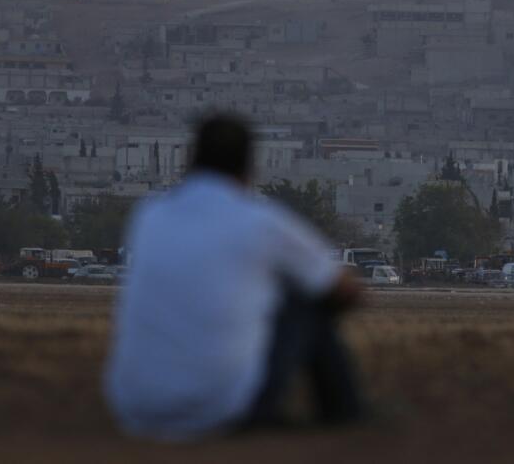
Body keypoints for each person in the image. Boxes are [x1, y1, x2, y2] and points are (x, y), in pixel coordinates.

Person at [105, 114, 364, 441]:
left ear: (190, 159)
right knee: (303, 300)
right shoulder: (260, 221)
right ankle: (346, 415)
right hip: (222, 408)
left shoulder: (148, 215)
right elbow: (345, 290)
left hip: (136, 407)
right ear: (249, 166)